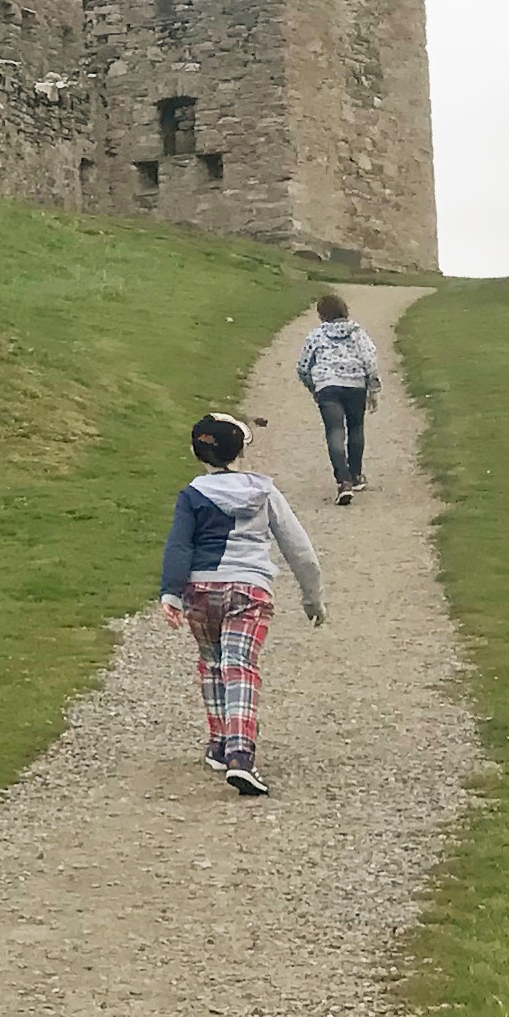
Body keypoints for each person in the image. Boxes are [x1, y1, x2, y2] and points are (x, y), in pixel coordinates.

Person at [159, 412, 324, 798]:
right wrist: (312, 597)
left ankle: (218, 742)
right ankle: (240, 754)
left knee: (212, 663)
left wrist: (170, 593)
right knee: (241, 666)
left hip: (200, 590)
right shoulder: (264, 492)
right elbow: (298, 548)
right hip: (249, 590)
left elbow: (179, 546)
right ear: (241, 451)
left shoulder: (192, 494)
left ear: (196, 452)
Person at [295, 292, 382, 504]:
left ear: (322, 314)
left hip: (327, 386)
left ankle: (343, 482)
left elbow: (303, 366)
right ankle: (356, 476)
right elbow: (370, 359)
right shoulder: (358, 333)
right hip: (355, 386)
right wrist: (373, 388)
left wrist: (313, 387)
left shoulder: (316, 335)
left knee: (335, 431)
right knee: (356, 428)